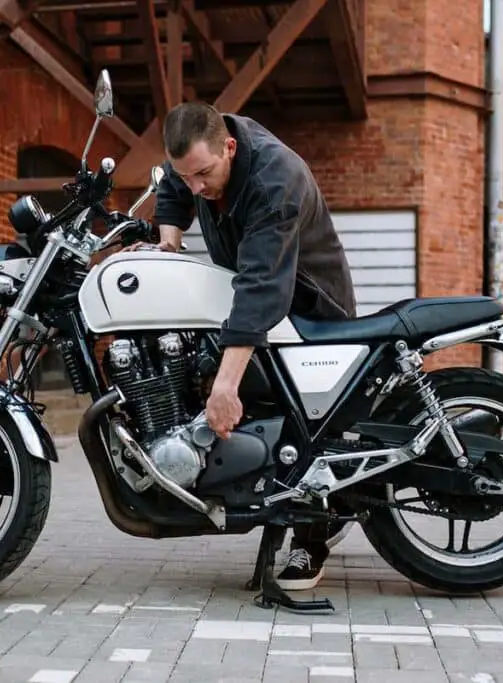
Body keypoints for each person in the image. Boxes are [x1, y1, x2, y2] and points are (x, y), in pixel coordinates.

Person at [146, 101, 357, 591]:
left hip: (308, 304)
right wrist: (169, 240)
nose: (196, 186)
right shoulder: (198, 155)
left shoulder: (274, 178)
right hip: (258, 298)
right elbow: (174, 184)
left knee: (306, 429)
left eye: (203, 174)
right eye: (188, 175)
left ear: (231, 148)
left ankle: (312, 536)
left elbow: (263, 287)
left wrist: (226, 386)